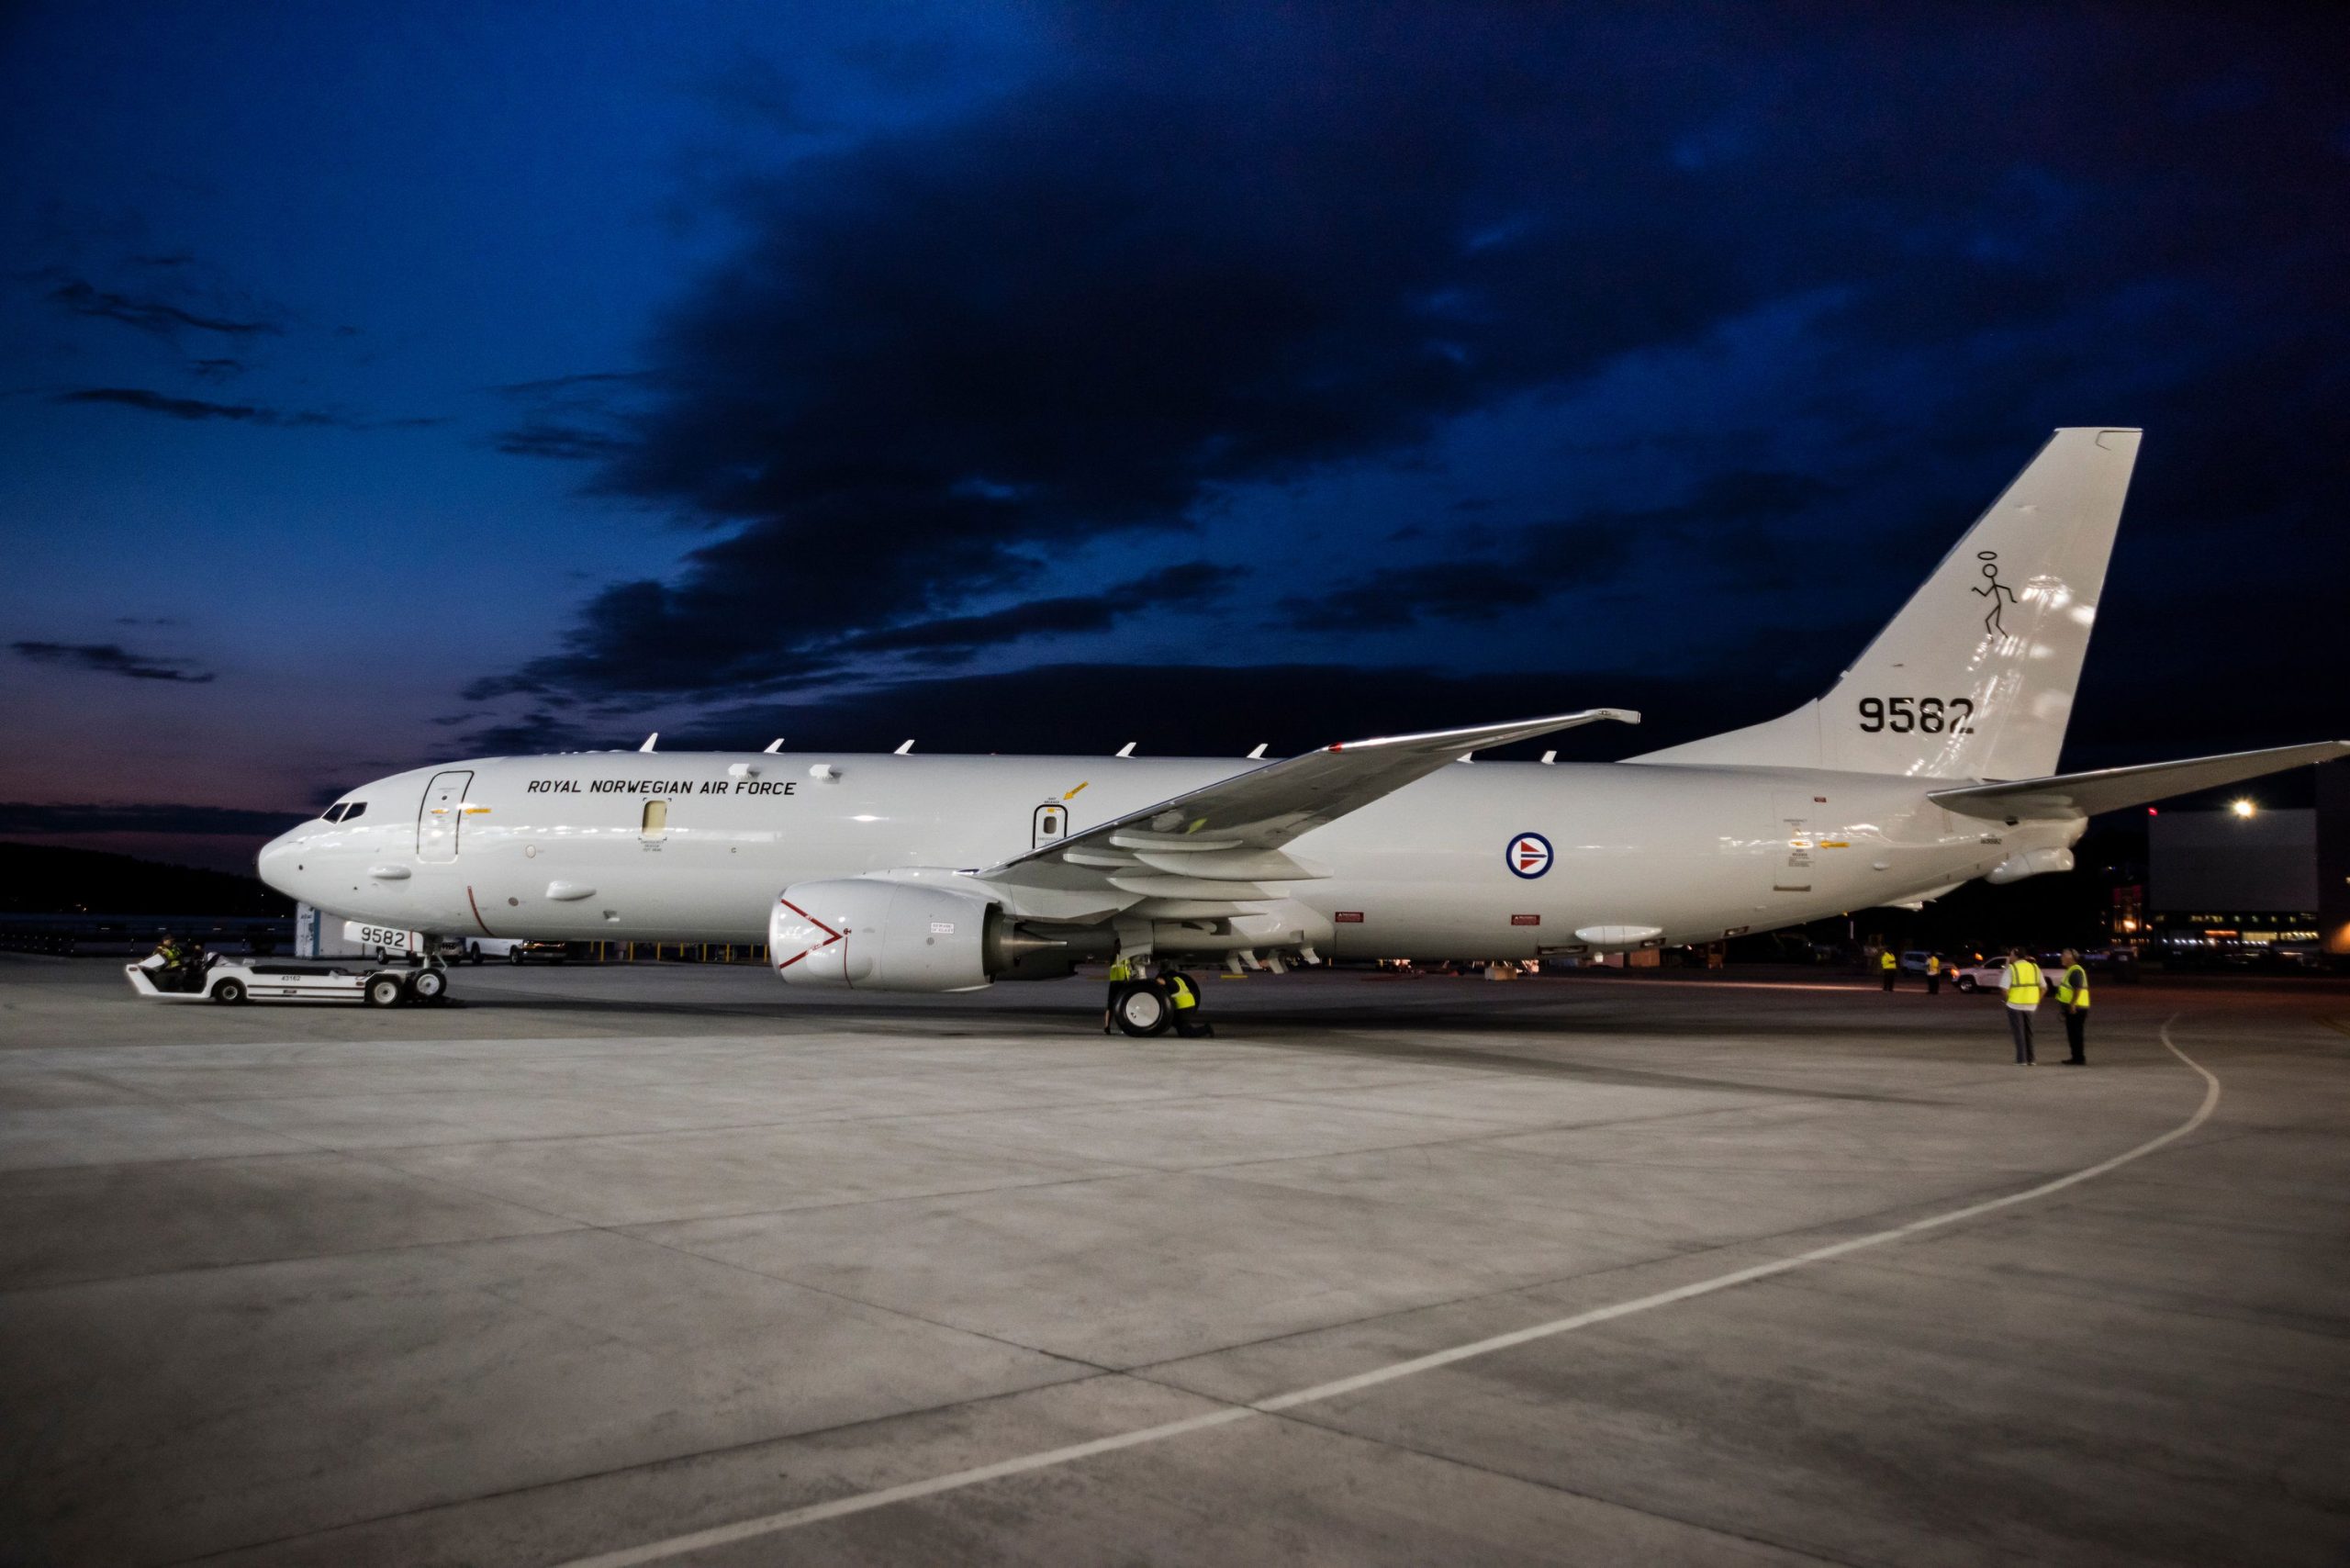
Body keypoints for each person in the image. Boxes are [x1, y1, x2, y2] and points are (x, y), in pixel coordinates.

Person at [1998, 946, 2042, 1065]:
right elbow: (2044, 987)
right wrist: (2037, 999)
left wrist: (2007, 1000)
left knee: (2019, 1032)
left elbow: (2004, 988)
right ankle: (2031, 1059)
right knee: (2029, 1032)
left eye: (2011, 955)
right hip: (2031, 1005)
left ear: (2016, 956)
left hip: (2015, 1005)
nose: (2010, 957)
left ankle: (2021, 1059)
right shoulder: (2034, 967)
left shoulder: (2012, 969)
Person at [2054, 948, 2091, 1065]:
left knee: (2075, 1034)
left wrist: (2072, 1004)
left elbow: (2078, 988)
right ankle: (2076, 1057)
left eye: (2063, 956)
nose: (2061, 958)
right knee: (2074, 1033)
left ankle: (2079, 1058)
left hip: (2076, 1008)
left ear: (2070, 957)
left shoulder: (2075, 971)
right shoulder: (2071, 970)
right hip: (2076, 1007)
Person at [1162, 968, 1214, 1037]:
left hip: (1183, 1009)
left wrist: (1161, 981)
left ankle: (1206, 1028)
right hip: (1188, 1006)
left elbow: (1168, 983)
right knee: (1183, 1030)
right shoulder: (1179, 980)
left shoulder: (1173, 982)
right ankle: (1202, 1028)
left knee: (1185, 1033)